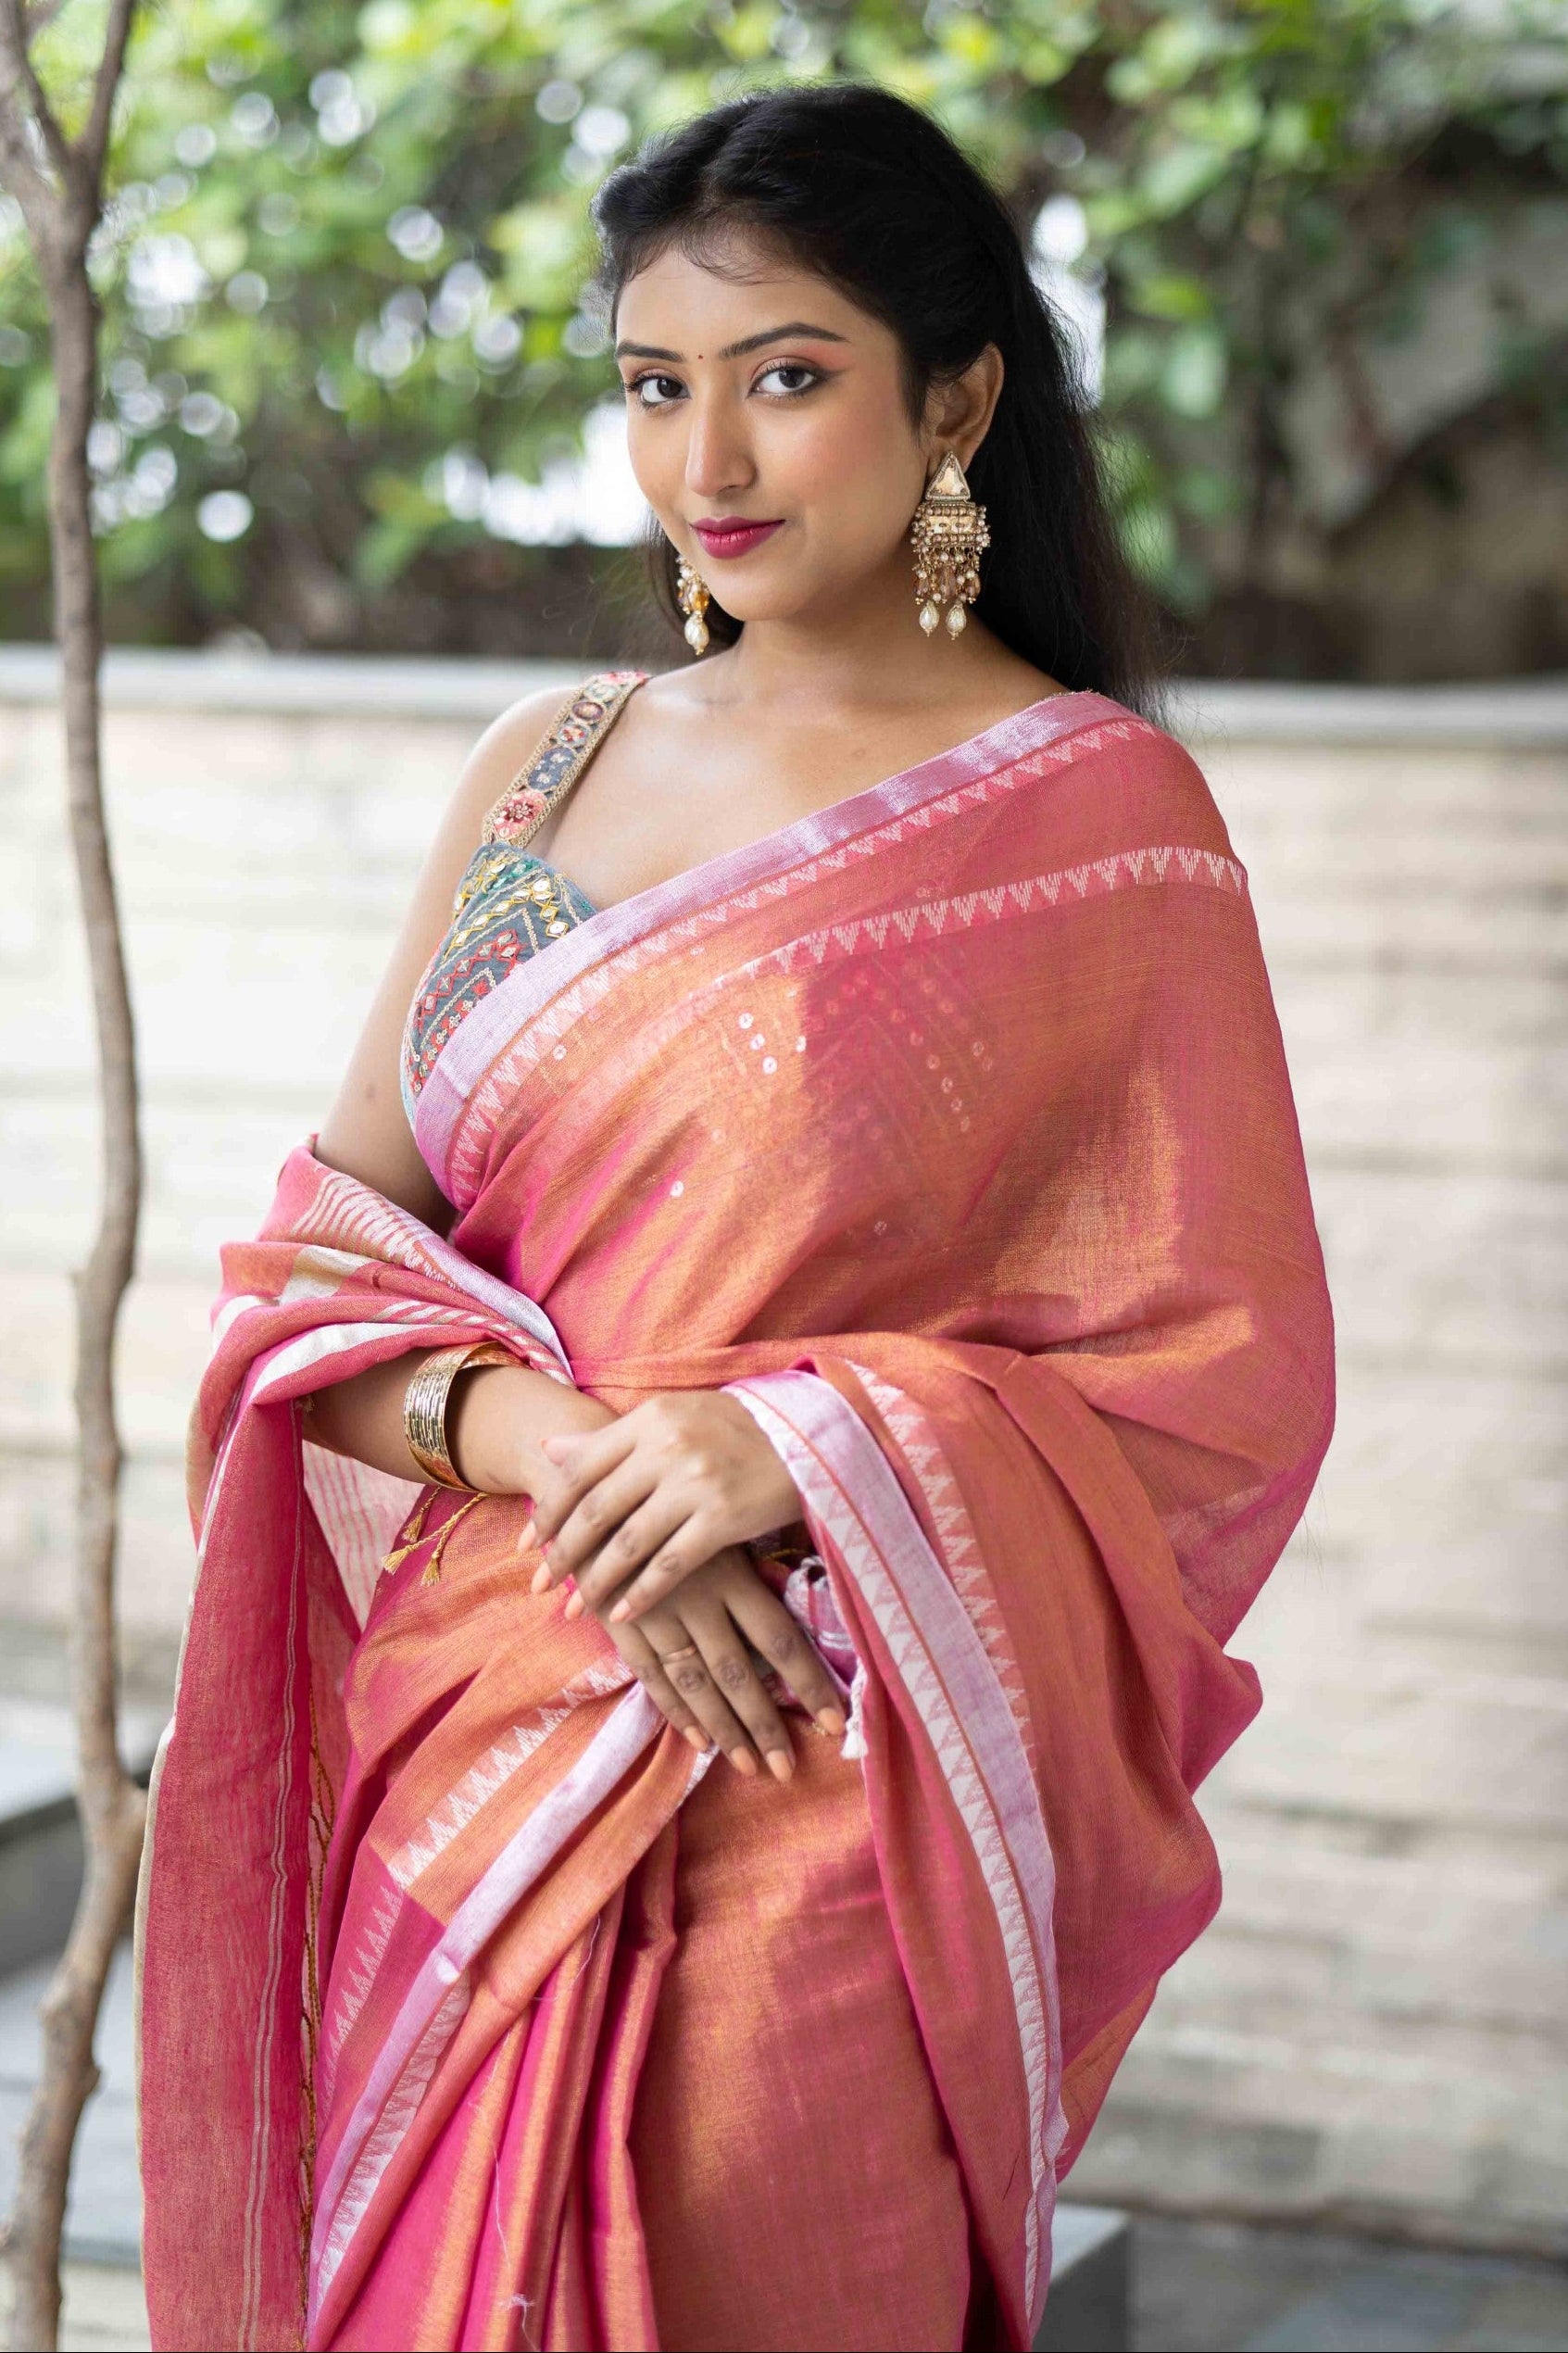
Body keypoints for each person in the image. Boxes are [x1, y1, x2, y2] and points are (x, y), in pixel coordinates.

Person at [138, 82, 1334, 2353]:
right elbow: (317, 1268)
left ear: (955, 399)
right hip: (469, 1758)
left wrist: (789, 1445)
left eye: (784, 377)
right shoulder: (546, 767)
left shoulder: (1097, 819)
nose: (706, 460)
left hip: (816, 1795)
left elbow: (1217, 1384)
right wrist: (563, 1451)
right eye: (651, 385)